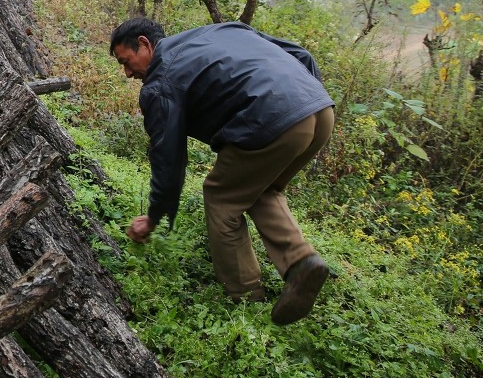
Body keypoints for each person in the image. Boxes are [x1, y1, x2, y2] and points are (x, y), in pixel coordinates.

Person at [109, 17, 335, 325]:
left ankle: (244, 300)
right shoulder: (222, 30)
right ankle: (301, 262)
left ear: (145, 44)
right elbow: (301, 55)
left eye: (127, 61)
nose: (127, 72)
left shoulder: (159, 85)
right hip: (319, 110)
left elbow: (169, 161)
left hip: (270, 118)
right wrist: (306, 101)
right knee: (259, 187)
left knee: (222, 198)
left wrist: (154, 217)